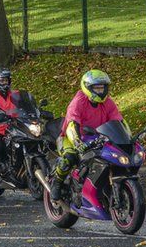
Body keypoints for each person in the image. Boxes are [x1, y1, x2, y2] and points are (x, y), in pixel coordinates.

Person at [49, 70, 124, 201]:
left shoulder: (108, 103)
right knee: (69, 157)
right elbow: (72, 124)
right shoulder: (78, 102)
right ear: (87, 87)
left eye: (102, 88)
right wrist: (77, 142)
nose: (100, 91)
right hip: (70, 137)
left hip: (98, 138)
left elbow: (118, 121)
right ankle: (57, 182)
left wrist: (126, 138)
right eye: (97, 88)